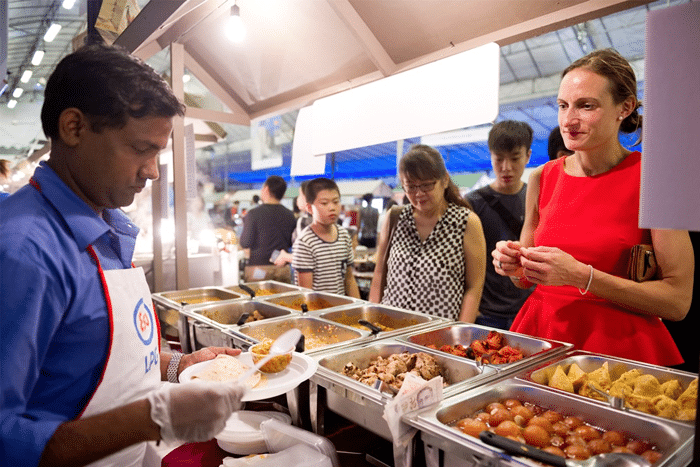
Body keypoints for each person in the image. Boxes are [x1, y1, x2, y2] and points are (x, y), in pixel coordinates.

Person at [0, 43, 246, 467]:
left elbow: (86, 355)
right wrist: (150, 420)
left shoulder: (108, 223)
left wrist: (179, 365)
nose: (152, 171)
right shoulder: (24, 252)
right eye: (140, 149)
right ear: (74, 127)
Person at [493, 48, 694, 366]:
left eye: (586, 106)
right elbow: (525, 277)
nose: (569, 121)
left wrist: (583, 277)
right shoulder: (542, 177)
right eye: (563, 106)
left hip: (615, 349)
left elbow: (678, 300)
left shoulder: (657, 178)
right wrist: (512, 264)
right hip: (544, 334)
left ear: (624, 107)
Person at [369, 144, 486, 322]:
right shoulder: (395, 217)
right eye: (411, 187)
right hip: (390, 329)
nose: (419, 194)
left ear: (445, 180)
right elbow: (379, 275)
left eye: (426, 185)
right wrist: (372, 318)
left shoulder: (466, 221)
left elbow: (474, 287)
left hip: (439, 334)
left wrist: (460, 333)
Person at [467, 120, 534, 330]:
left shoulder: (537, 198)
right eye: (498, 159)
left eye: (515, 158)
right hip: (486, 313)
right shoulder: (473, 203)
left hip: (527, 309)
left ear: (528, 156)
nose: (506, 168)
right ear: (490, 157)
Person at [292, 177, 361, 298]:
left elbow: (349, 280)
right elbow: (305, 293)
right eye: (324, 203)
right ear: (309, 208)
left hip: (340, 311)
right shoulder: (305, 242)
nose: (332, 208)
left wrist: (359, 311)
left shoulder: (344, 236)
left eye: (336, 201)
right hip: (316, 312)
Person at [239, 175, 297, 283]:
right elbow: (290, 243)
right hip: (282, 268)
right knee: (282, 299)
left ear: (266, 189)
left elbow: (245, 242)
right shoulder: (290, 215)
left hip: (259, 268)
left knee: (257, 298)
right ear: (283, 194)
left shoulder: (253, 214)